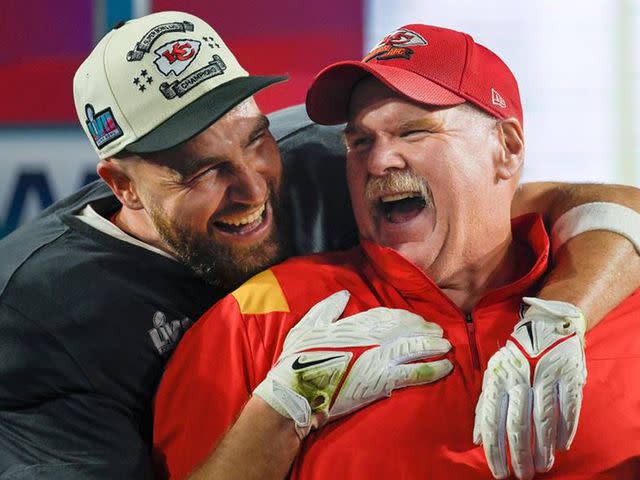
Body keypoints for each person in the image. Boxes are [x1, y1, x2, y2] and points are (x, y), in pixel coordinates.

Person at [0, 11, 635, 479]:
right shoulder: (38, 317)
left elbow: (593, 203)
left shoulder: (322, 156)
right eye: (199, 171)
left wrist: (565, 315)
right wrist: (284, 407)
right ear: (124, 188)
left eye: (254, 138)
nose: (253, 188)